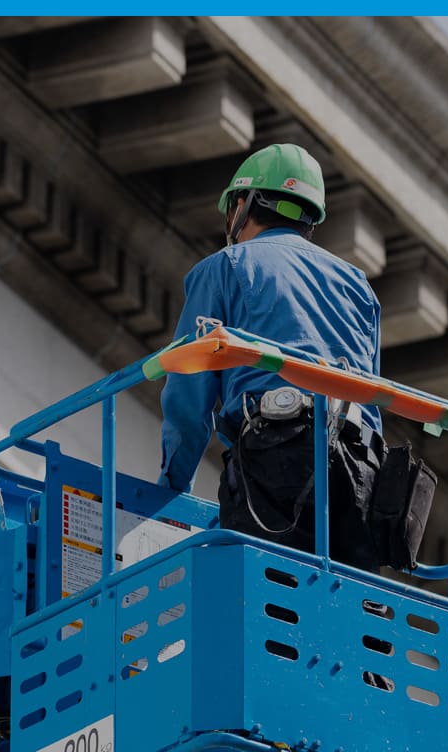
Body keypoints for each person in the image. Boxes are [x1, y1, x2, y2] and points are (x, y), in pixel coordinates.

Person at [158, 143, 387, 571]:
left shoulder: (227, 266)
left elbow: (188, 396)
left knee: (264, 599)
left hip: (277, 459)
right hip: (363, 473)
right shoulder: (359, 286)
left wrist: (171, 488)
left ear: (243, 205)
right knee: (352, 618)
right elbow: (372, 399)